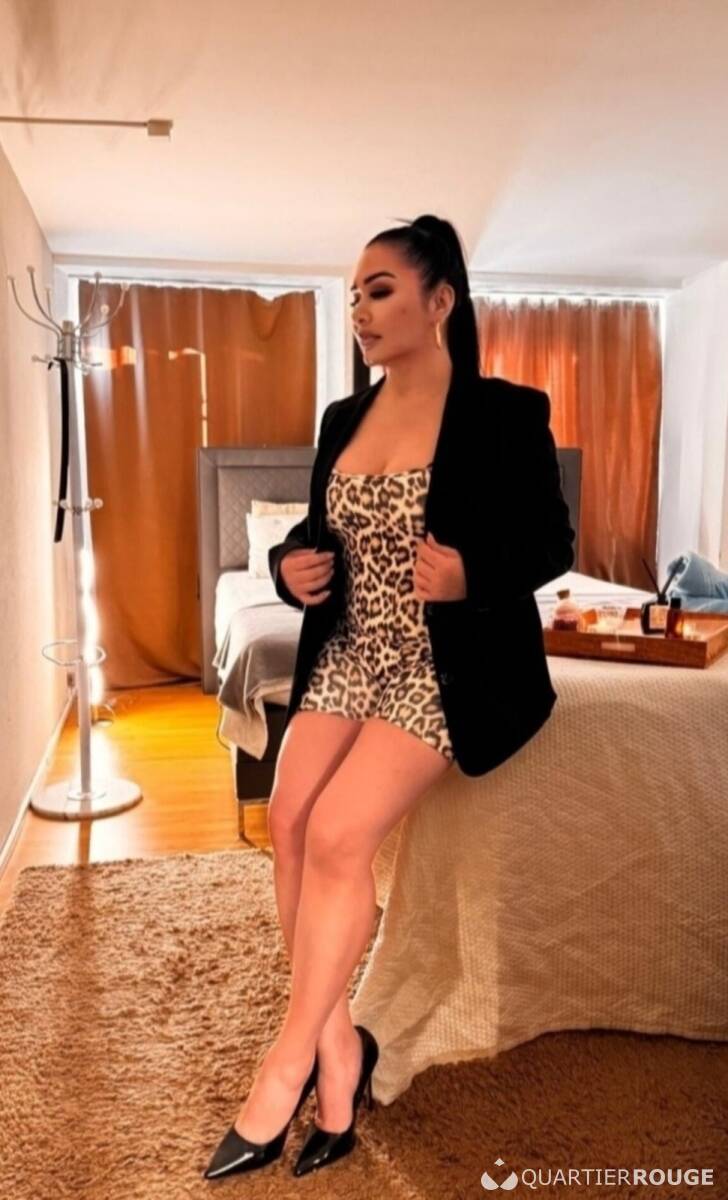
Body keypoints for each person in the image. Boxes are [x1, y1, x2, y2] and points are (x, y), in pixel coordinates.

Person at [204, 214, 575, 1181]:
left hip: (437, 665)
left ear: (439, 300)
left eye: (380, 291)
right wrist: (287, 571)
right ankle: (340, 1057)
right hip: (348, 653)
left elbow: (551, 542)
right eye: (355, 295)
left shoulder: (504, 413)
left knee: (338, 835)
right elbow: (318, 538)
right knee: (289, 818)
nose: (361, 311)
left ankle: (285, 1067)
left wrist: (471, 576)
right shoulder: (343, 419)